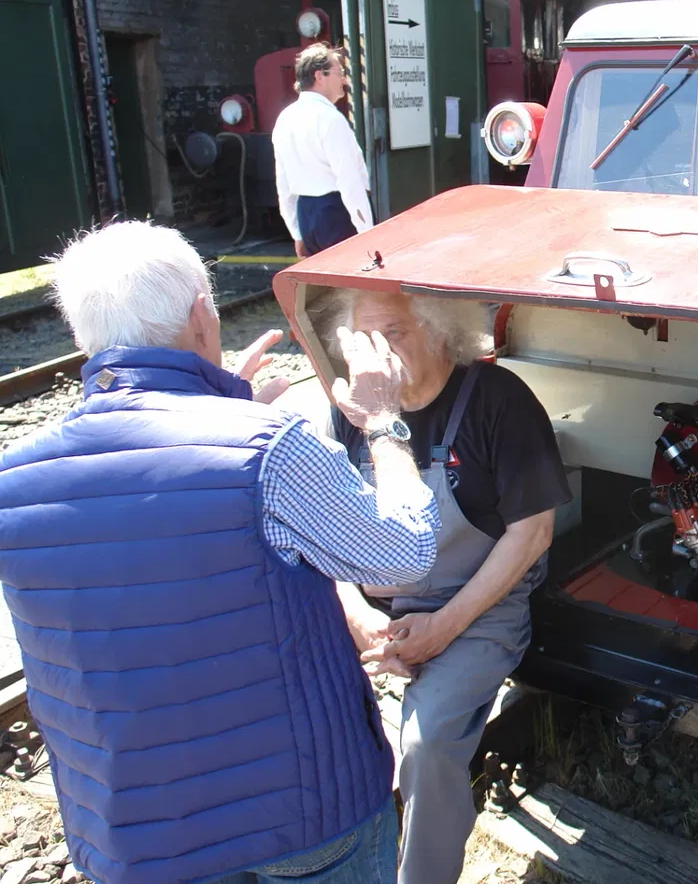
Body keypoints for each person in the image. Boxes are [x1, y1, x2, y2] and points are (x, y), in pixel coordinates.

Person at [0, 222, 443, 884]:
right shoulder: (268, 448)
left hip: (138, 836)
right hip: (303, 817)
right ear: (204, 316)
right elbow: (403, 551)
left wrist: (221, 410)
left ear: (83, 337)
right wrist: (383, 423)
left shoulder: (14, 483)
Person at [317, 289, 569, 884]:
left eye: (393, 334)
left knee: (426, 749)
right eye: (362, 340)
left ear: (439, 333)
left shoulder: (497, 400)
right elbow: (320, 529)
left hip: (479, 609)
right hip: (375, 614)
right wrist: (355, 612)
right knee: (316, 727)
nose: (375, 356)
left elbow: (533, 534)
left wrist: (441, 628)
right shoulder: (350, 408)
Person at [274, 43, 373, 258]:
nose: (344, 80)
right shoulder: (331, 119)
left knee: (322, 287)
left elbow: (283, 185)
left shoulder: (285, 119)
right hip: (335, 214)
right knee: (350, 284)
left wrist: (297, 233)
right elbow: (349, 182)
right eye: (340, 73)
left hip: (306, 213)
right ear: (320, 76)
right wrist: (367, 233)